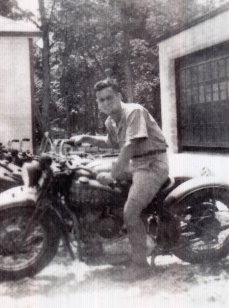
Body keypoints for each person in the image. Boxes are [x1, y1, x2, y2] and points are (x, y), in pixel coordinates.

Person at [71, 78, 169, 279]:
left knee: (130, 212)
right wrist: (86, 138)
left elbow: (129, 146)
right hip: (135, 164)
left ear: (119, 97)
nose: (105, 103)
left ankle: (140, 266)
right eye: (101, 100)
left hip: (152, 164)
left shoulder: (134, 111)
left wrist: (114, 173)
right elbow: (111, 142)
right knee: (90, 171)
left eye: (109, 98)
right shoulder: (110, 120)